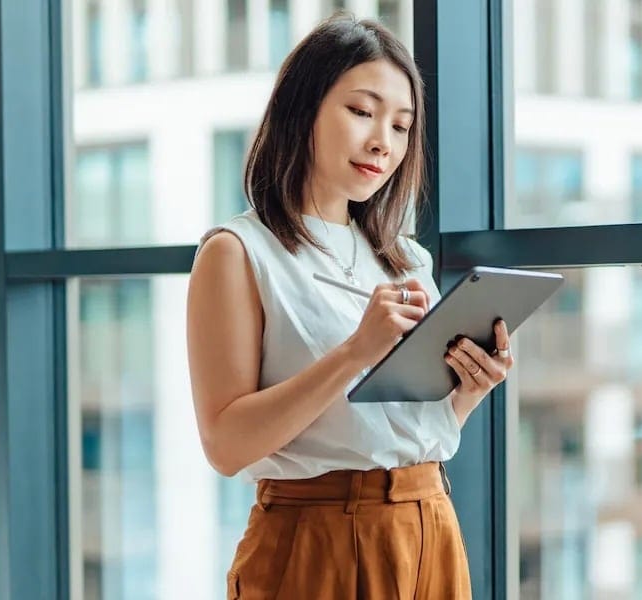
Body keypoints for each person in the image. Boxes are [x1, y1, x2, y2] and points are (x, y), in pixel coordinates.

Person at [185, 14, 511, 599]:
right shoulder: (237, 254)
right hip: (317, 539)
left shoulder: (403, 258)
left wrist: (466, 390)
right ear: (302, 109)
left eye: (401, 125)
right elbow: (226, 446)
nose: (383, 141)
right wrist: (355, 352)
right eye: (361, 111)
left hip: (429, 525)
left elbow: (394, 430)